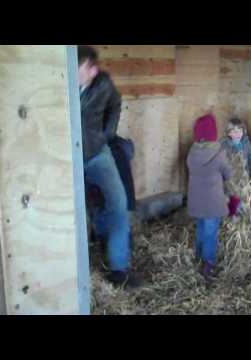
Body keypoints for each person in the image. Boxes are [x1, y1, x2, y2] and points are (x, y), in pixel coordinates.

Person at [78, 45, 140, 288]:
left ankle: (119, 269)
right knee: (75, 212)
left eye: (92, 68)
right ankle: (76, 274)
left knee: (118, 203)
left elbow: (115, 102)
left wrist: (107, 133)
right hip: (66, 158)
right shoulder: (55, 86)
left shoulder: (103, 84)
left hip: (96, 153)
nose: (94, 72)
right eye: (86, 68)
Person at [187, 114, 232, 279]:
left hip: (196, 201)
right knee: (210, 232)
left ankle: (198, 256)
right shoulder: (219, 153)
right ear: (214, 133)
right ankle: (208, 263)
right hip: (213, 202)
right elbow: (228, 174)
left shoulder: (191, 153)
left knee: (200, 228)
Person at [220, 118, 251, 217]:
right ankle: (231, 215)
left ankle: (242, 213)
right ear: (228, 133)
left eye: (240, 130)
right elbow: (220, 161)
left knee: (243, 195)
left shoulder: (245, 143)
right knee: (232, 196)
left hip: (244, 175)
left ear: (243, 131)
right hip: (231, 178)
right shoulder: (223, 145)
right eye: (234, 131)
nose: (238, 133)